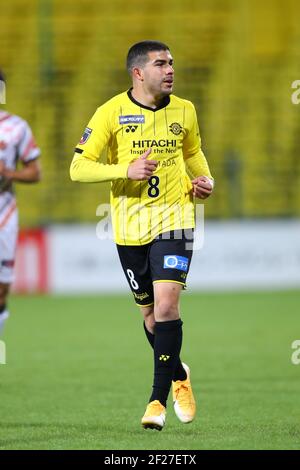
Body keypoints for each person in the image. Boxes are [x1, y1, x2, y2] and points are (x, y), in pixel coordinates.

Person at [70, 40, 214, 431]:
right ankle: (180, 374)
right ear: (138, 72)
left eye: (172, 63)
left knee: (168, 308)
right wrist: (124, 170)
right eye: (160, 64)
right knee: (151, 319)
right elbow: (78, 168)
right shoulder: (110, 112)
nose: (170, 70)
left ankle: (156, 401)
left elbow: (194, 152)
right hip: (129, 229)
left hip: (176, 219)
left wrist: (205, 179)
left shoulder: (185, 109)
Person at [0, 70, 41, 335]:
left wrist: (8, 174)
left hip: (3, 214)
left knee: (1, 290)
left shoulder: (16, 127)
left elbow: (35, 172)